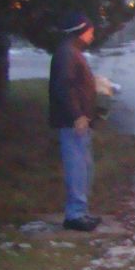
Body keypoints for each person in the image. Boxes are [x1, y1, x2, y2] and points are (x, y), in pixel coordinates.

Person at [48, 12, 100, 232]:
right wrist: (77, 114)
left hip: (79, 120)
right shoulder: (67, 53)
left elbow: (76, 84)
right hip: (72, 122)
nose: (92, 36)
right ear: (81, 31)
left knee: (84, 166)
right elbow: (65, 86)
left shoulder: (72, 52)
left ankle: (81, 210)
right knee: (76, 166)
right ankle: (75, 215)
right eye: (90, 31)